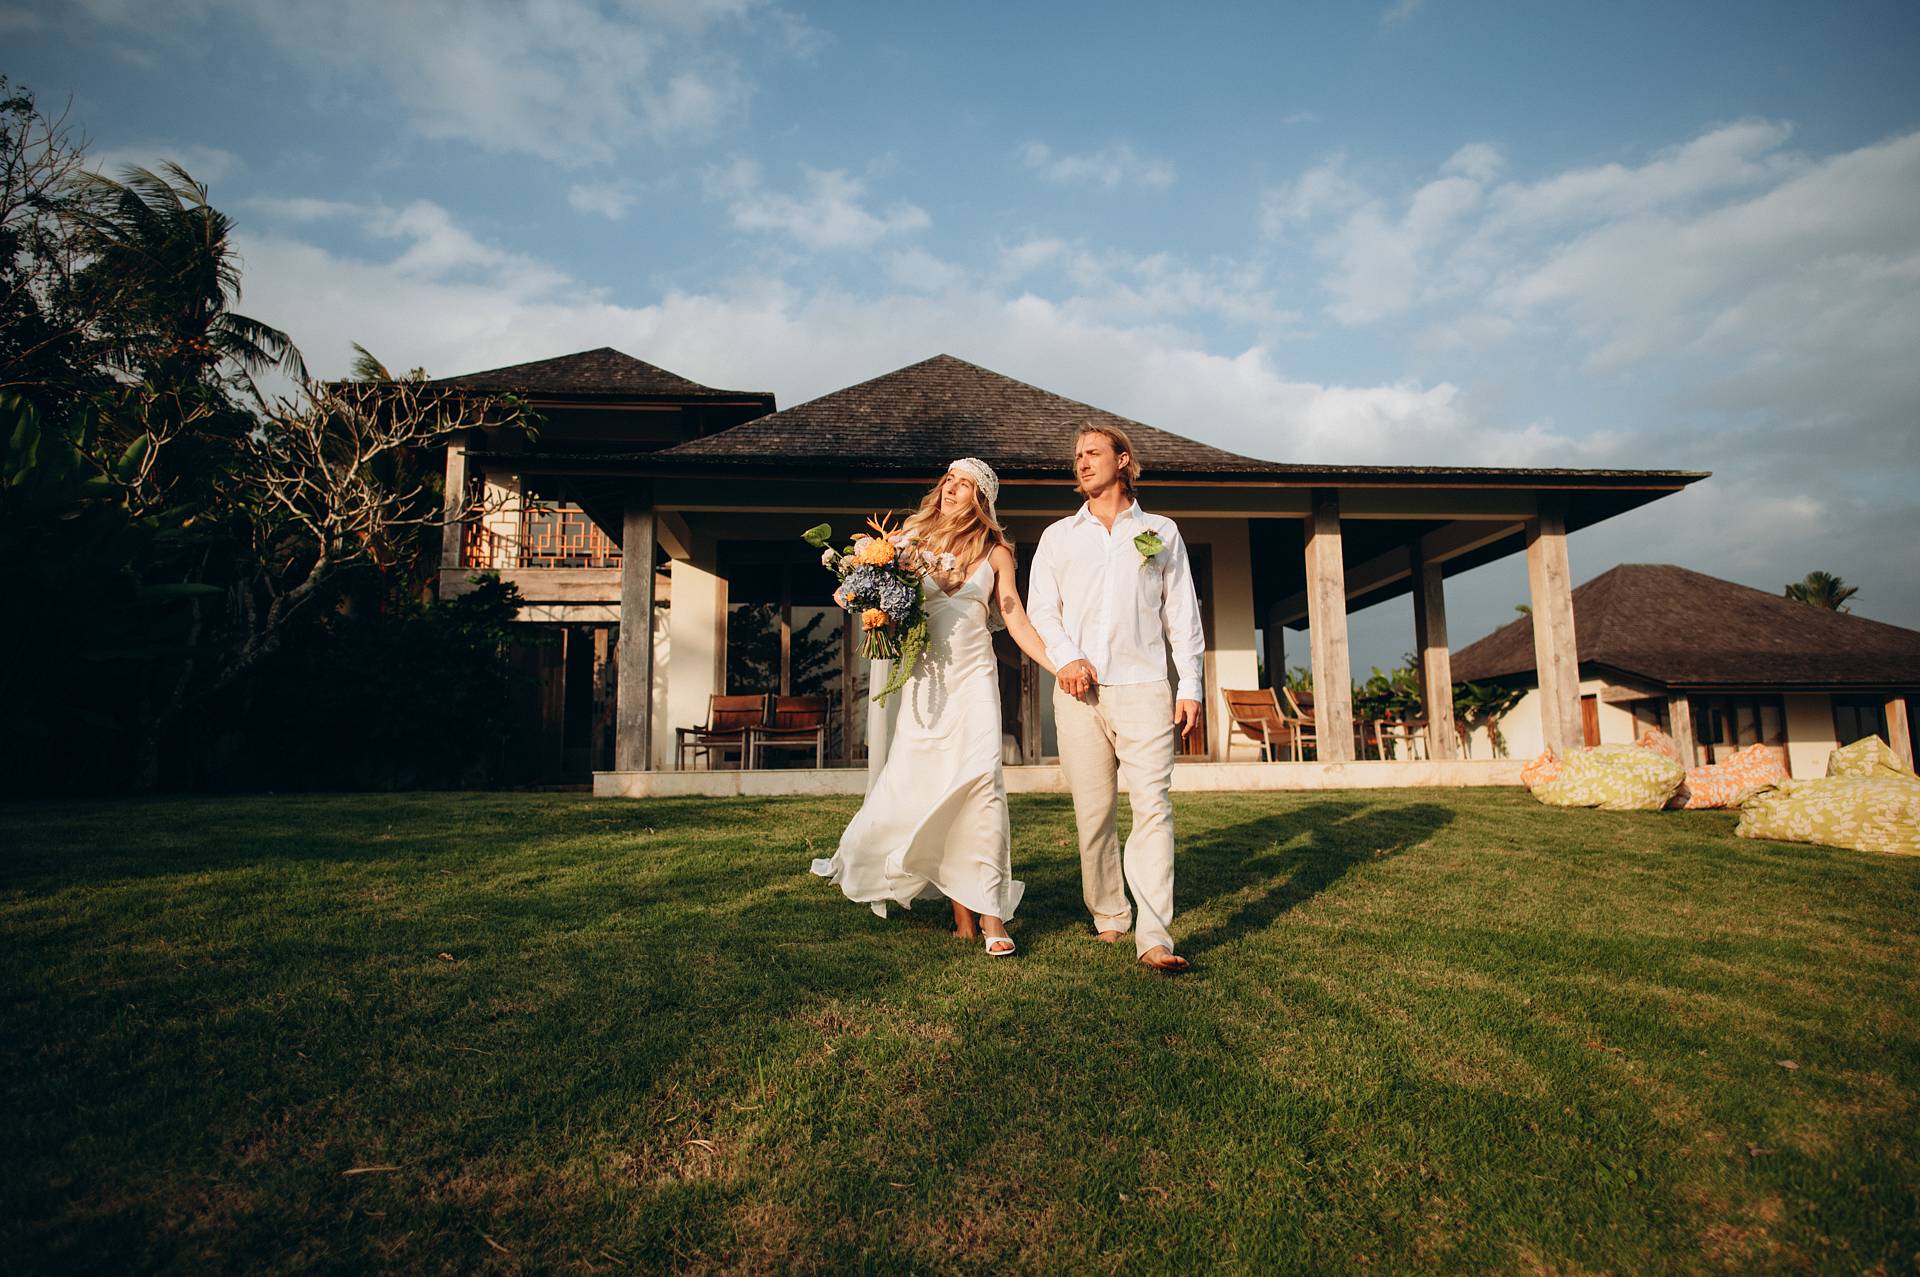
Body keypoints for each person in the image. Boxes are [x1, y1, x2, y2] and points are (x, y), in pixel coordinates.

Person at [810, 458, 1058, 955]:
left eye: (964, 485)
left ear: (981, 500)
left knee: (982, 786)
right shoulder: (908, 540)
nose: (951, 489)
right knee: (932, 788)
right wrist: (870, 607)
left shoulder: (997, 553)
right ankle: (962, 918)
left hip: (975, 680)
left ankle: (991, 917)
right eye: (949, 480)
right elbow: (873, 601)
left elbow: (1015, 618)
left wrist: (1059, 666)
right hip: (925, 683)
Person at [1026, 424, 1204, 974]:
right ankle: (1108, 913)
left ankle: (1153, 935)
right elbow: (1042, 611)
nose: (1082, 462)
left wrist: (1190, 685)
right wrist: (1066, 659)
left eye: (1093, 453)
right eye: (1077, 455)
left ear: (1122, 460)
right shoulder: (1058, 536)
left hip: (1146, 687)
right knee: (1093, 813)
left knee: (1154, 808)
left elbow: (1182, 615)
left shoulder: (1161, 531)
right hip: (1078, 694)